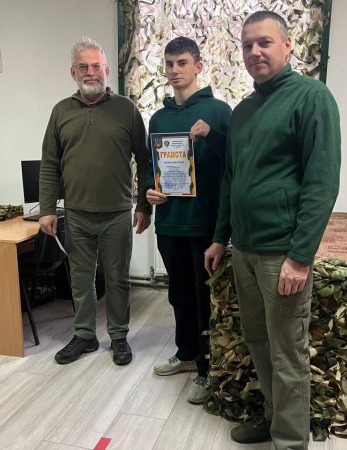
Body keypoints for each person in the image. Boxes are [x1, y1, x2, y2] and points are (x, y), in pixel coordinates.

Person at [204, 11, 341, 449]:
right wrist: (220, 236)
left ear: (287, 45)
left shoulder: (312, 98)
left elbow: (322, 183)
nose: (254, 52)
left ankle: (290, 442)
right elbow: (231, 179)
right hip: (244, 249)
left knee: (287, 352)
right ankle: (272, 417)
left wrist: (300, 257)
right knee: (259, 343)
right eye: (247, 45)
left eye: (264, 42)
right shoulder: (243, 111)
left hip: (282, 253)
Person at [39, 37, 152, 366]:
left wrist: (144, 206)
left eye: (96, 66)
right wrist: (47, 209)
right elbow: (49, 163)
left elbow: (145, 160)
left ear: (106, 70)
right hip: (76, 214)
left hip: (117, 212)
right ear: (73, 72)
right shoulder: (61, 111)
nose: (91, 72)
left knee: (118, 279)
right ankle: (85, 335)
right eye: (83, 67)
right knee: (80, 279)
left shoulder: (126, 109)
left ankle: (118, 336)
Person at [146, 37, 231, 404]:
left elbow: (236, 161)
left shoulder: (220, 111)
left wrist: (212, 134)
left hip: (204, 223)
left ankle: (207, 369)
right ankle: (186, 355)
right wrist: (150, 192)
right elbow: (151, 166)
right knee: (178, 294)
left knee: (203, 297)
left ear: (198, 66)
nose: (174, 70)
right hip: (169, 222)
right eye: (169, 63)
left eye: (182, 63)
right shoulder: (159, 118)